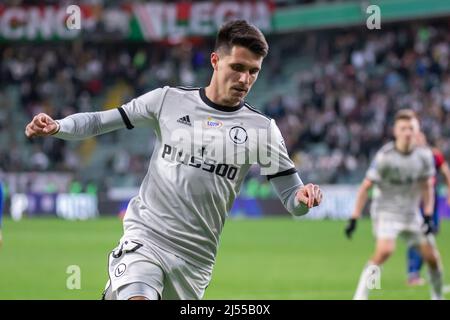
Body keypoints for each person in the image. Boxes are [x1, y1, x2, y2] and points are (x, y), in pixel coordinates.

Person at [25, 20, 322, 300]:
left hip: (195, 262)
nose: (245, 79)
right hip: (147, 238)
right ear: (215, 61)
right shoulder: (168, 101)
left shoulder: (262, 129)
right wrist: (58, 126)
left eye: (253, 71)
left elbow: (291, 199)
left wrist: (303, 196)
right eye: (237, 67)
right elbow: (100, 122)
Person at [344, 109, 444, 300]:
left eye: (411, 128)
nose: (407, 132)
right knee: (385, 252)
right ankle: (360, 296)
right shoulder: (385, 157)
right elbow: (365, 187)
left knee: (432, 259)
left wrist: (429, 215)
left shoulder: (424, 157)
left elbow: (427, 187)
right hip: (386, 212)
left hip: (412, 214)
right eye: (403, 128)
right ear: (395, 131)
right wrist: (354, 218)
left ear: (417, 131)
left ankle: (437, 297)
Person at [407, 130, 450, 286]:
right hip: (415, 203)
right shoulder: (408, 157)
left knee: (430, 233)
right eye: (415, 138)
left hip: (431, 203)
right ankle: (413, 273)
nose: (417, 140)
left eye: (420, 137)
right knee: (417, 236)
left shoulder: (434, 155)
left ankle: (424, 270)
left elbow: (445, 172)